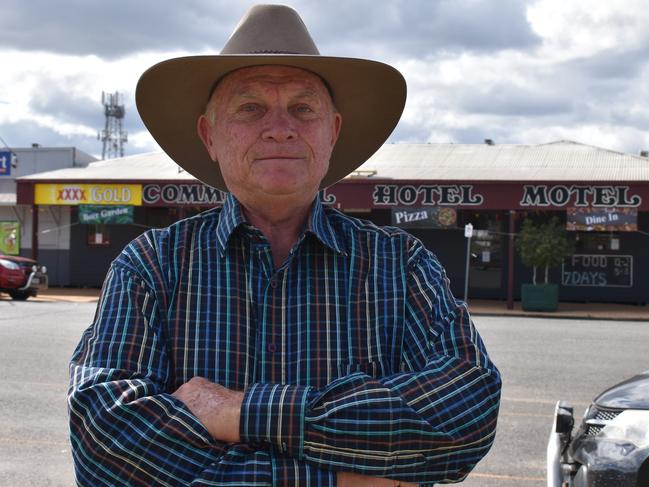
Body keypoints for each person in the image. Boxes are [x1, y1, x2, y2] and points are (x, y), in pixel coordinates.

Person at [68, 5, 501, 486]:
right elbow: (105, 440)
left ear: (331, 132)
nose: (280, 127)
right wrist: (338, 481)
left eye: (303, 107)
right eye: (250, 108)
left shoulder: (400, 265)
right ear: (209, 135)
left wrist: (237, 411)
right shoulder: (153, 265)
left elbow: (467, 410)